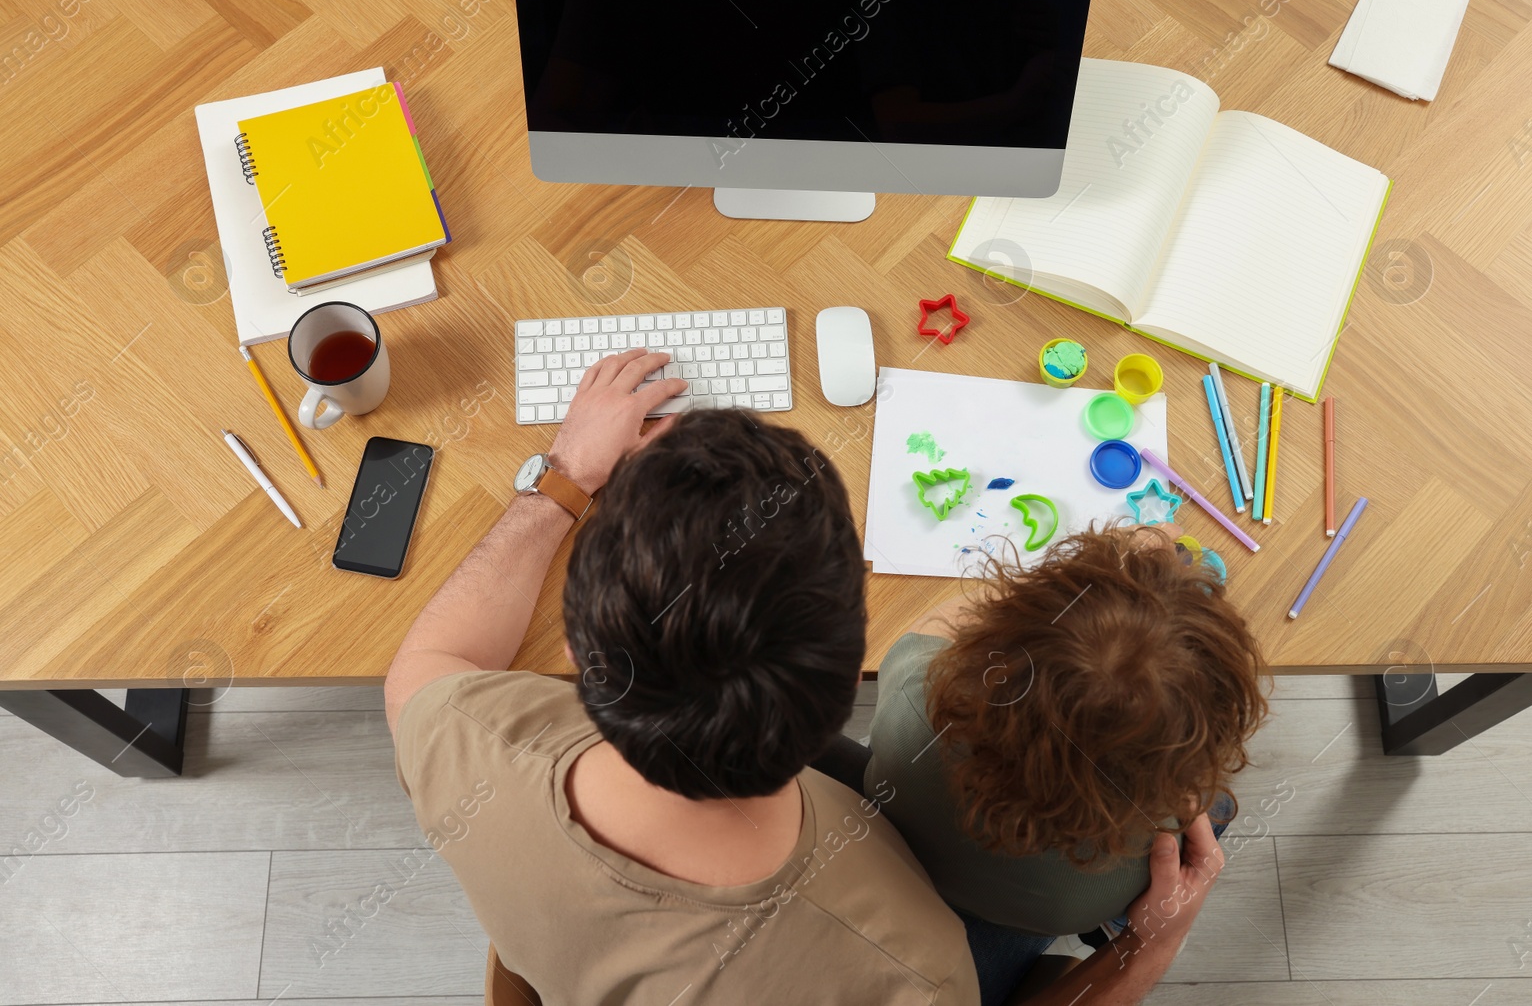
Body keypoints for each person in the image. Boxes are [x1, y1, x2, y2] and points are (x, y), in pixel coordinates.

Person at [385, 347, 1223, 1005]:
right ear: (846, 685)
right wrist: (1152, 942)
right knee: (1199, 817)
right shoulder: (913, 970)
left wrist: (562, 480)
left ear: (578, 650)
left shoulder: (467, 739)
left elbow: (427, 662)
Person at [849, 525, 1270, 1005]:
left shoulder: (913, 704)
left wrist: (1069, 586)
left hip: (892, 858)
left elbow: (941, 623)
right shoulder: (1145, 859)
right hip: (1031, 916)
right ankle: (1104, 932)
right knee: (1214, 815)